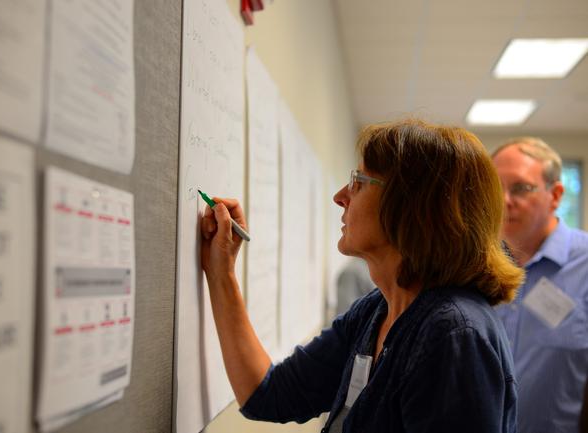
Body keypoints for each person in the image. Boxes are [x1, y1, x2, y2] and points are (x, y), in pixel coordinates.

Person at [200, 119, 524, 432]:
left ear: (410, 206)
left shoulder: (454, 335)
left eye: (359, 181)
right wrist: (221, 273)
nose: (340, 196)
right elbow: (268, 395)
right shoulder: (376, 311)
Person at [492, 137, 588, 433]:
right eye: (495, 188)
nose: (504, 200)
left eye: (520, 188)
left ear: (555, 195)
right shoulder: (476, 269)